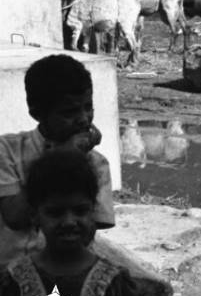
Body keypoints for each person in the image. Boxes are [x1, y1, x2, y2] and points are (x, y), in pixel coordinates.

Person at [0, 149, 137, 296]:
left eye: (80, 210)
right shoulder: (14, 279)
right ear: (35, 215)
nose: (69, 221)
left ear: (93, 211)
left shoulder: (112, 282)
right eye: (55, 213)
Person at [0, 54, 115, 265]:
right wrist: (62, 157)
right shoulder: (7, 150)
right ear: (37, 113)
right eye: (69, 112)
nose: (83, 119)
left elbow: (86, 234)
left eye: (88, 107)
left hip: (67, 272)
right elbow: (15, 217)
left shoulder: (96, 164)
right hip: (7, 272)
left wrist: (73, 161)